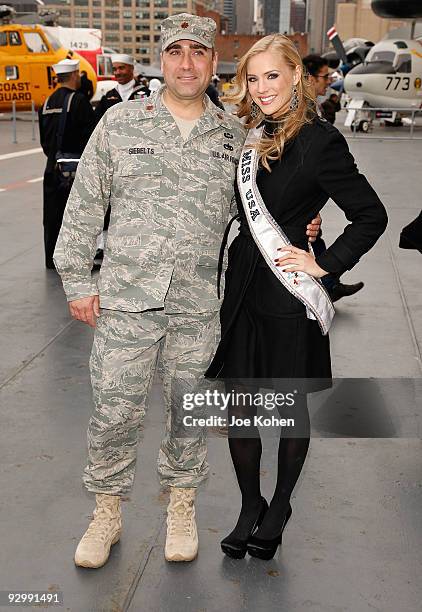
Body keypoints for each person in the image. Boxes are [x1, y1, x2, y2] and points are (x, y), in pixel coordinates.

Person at [54, 15, 321, 569]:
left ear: (213, 61)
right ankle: (106, 512)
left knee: (190, 415)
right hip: (125, 301)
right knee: (113, 411)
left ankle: (181, 507)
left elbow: (263, 209)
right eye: (174, 51)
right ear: (161, 59)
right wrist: (79, 281)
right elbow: (83, 208)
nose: (185, 63)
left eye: (197, 52)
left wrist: (307, 229)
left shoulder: (234, 137)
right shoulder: (121, 124)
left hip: (201, 306)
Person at [205, 34, 388, 561]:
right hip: (242, 288)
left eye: (272, 76)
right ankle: (249, 505)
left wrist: (324, 262)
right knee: (240, 410)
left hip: (287, 295)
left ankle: (280, 505)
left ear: (294, 78)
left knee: (287, 413)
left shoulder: (319, 140)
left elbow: (371, 214)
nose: (262, 88)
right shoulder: (249, 134)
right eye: (253, 78)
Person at [302, 53, 365, 302]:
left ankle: (329, 282)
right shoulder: (302, 111)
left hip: (313, 193)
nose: (328, 81)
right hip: (306, 192)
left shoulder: (314, 106)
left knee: (315, 238)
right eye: (324, 76)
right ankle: (328, 282)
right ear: (308, 77)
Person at [39, 58, 95, 269]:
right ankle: (74, 261)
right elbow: (91, 137)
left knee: (52, 216)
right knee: (76, 217)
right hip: (75, 169)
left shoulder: (46, 103)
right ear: (73, 75)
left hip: (51, 168)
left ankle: (52, 259)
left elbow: (45, 141)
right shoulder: (78, 101)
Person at [94, 54, 150, 123]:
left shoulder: (147, 94)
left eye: (121, 68)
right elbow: (97, 121)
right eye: (114, 69)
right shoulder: (108, 96)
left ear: (132, 68)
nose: (117, 72)